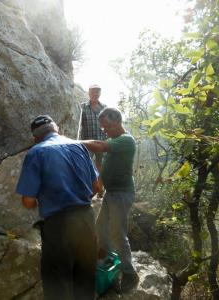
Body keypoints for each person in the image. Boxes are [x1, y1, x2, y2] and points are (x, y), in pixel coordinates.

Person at [16, 115, 100, 300]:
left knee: (57, 285)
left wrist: (47, 200)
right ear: (57, 130)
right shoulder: (79, 146)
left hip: (58, 225)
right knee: (86, 280)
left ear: (35, 138)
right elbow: (96, 187)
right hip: (87, 219)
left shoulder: (36, 152)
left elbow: (28, 201)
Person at [81, 107, 139, 292]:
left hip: (122, 194)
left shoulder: (126, 140)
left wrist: (74, 143)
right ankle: (106, 260)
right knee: (100, 228)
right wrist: (95, 191)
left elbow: (100, 146)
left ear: (116, 122)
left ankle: (130, 273)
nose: (104, 130)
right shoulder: (114, 140)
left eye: (106, 126)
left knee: (117, 233)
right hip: (111, 194)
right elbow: (103, 170)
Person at [79, 84, 107, 197]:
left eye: (97, 92)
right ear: (88, 93)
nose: (95, 94)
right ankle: (88, 190)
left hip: (102, 142)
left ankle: (100, 190)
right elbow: (79, 124)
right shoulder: (82, 107)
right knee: (86, 166)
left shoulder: (105, 107)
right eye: (93, 92)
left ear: (100, 93)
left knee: (101, 166)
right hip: (87, 143)